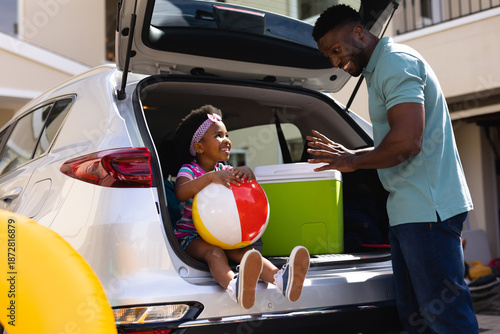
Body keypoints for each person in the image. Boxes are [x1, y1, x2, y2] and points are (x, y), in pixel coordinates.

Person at [307, 5, 478, 333]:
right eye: (328, 56)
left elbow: (406, 142)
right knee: (417, 321)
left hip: (428, 211)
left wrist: (353, 161)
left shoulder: (396, 63)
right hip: (409, 213)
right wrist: (352, 155)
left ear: (358, 32)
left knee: (446, 320)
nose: (334, 62)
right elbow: (394, 141)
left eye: (336, 50)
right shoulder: (379, 69)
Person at [173, 104, 310, 309]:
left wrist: (247, 172)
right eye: (218, 135)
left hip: (224, 234)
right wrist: (211, 178)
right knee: (214, 254)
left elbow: (244, 190)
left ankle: (282, 280)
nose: (227, 140)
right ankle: (234, 286)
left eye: (226, 134)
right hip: (192, 236)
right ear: (199, 147)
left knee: (247, 253)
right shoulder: (190, 169)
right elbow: (181, 192)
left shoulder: (225, 169)